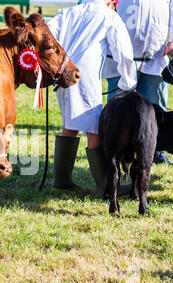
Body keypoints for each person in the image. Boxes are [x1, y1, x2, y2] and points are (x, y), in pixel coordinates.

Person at [47, 0, 137, 197]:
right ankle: (106, 185)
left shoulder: (67, 12)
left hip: (63, 71)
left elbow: (47, 33)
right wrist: (128, 83)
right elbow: (123, 51)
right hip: (84, 76)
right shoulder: (108, 15)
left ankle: (61, 180)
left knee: (69, 124)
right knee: (93, 128)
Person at [105, 0, 173, 166]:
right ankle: (110, 151)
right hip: (120, 53)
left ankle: (155, 151)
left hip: (156, 53)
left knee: (155, 108)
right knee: (116, 106)